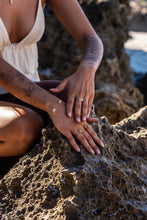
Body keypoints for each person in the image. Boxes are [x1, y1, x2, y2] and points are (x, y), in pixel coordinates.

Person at [0, 0, 104, 157]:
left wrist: (88, 68)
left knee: (72, 104)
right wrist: (52, 105)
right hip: (10, 97)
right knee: (24, 129)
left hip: (23, 93)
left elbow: (89, 36)